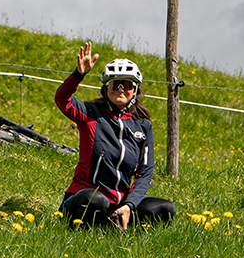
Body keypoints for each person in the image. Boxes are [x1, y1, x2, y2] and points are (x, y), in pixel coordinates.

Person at [55, 42, 176, 229]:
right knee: (95, 200)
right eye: (115, 83)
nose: (120, 89)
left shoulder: (143, 126)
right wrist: (78, 75)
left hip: (121, 204)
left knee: (165, 208)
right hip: (85, 199)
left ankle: (117, 224)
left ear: (135, 90)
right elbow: (62, 100)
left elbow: (144, 173)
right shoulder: (90, 113)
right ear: (106, 87)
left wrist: (129, 206)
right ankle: (94, 229)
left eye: (126, 84)